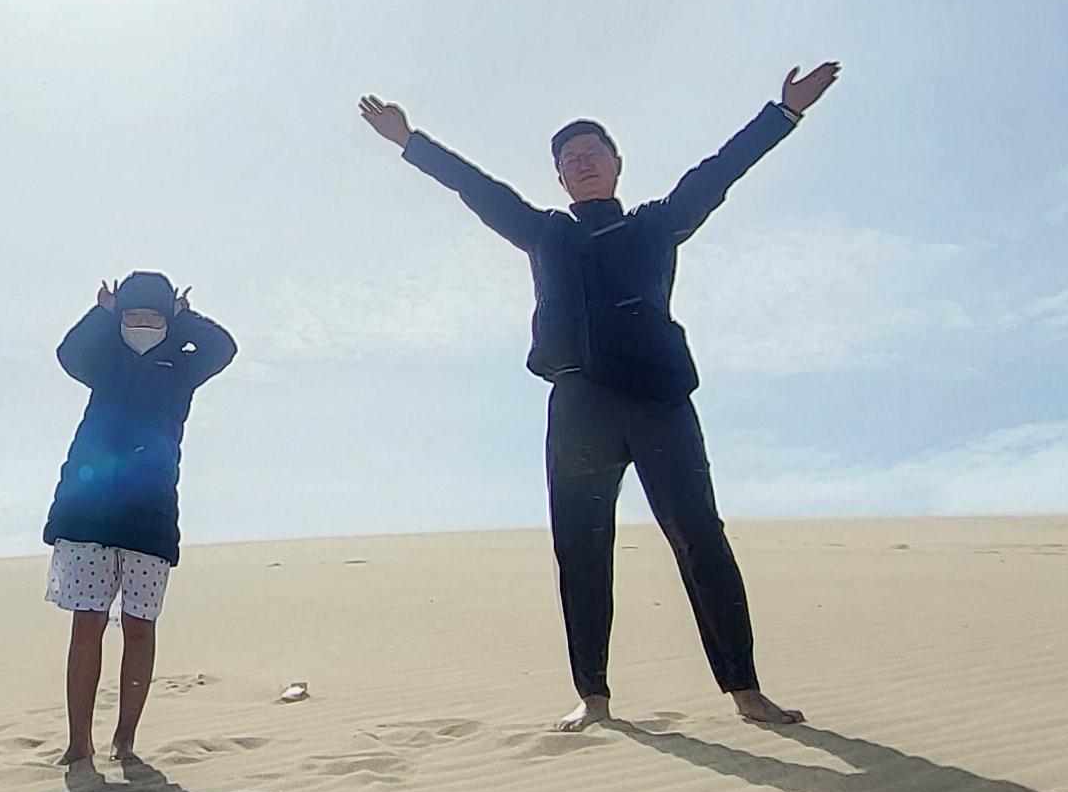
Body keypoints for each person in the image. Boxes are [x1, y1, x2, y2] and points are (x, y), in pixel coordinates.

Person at [357, 70, 839, 730]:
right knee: (581, 548)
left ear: (616, 164)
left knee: (701, 539)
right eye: (569, 160)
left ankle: (746, 691)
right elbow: (478, 190)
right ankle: (595, 698)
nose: (581, 164)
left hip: (659, 399)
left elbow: (719, 171)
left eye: (592, 154)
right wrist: (409, 141)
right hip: (580, 404)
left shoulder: (657, 224)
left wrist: (784, 112)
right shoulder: (546, 232)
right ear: (559, 177)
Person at [43, 271, 238, 769]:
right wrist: (104, 314)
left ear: (168, 321)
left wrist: (184, 317)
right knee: (86, 625)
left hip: (150, 515)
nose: (143, 325)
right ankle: (78, 741)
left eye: (153, 316)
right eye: (134, 316)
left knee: (139, 626)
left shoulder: (180, 367)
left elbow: (223, 347)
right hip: (89, 511)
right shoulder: (105, 360)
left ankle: (125, 739)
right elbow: (69, 353)